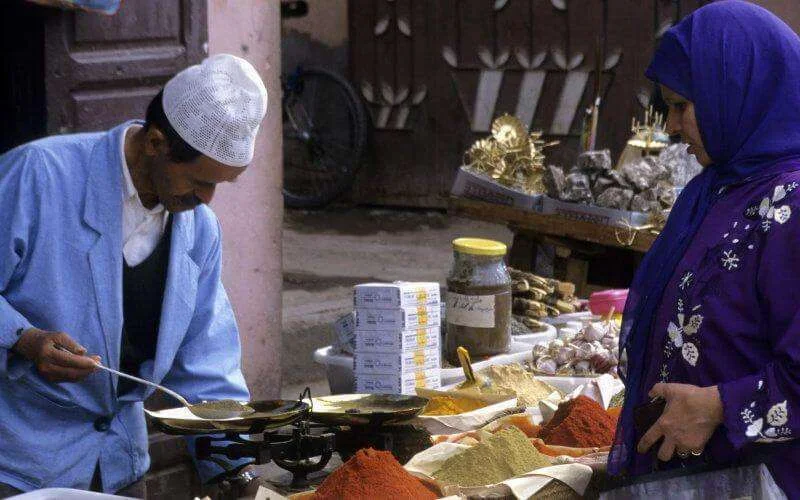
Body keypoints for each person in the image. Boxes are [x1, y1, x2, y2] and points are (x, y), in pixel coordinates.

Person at [0, 54, 268, 497]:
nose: (208, 199)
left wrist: (232, 467)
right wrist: (23, 339)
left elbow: (205, 361)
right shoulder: (38, 175)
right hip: (19, 465)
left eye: (221, 184)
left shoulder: (198, 228)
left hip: (118, 465)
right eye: (199, 181)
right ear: (155, 143)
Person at [609, 1, 800, 496]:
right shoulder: (716, 189)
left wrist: (718, 406)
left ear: (737, 93)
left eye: (681, 106)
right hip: (691, 479)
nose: (671, 127)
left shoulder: (792, 205)